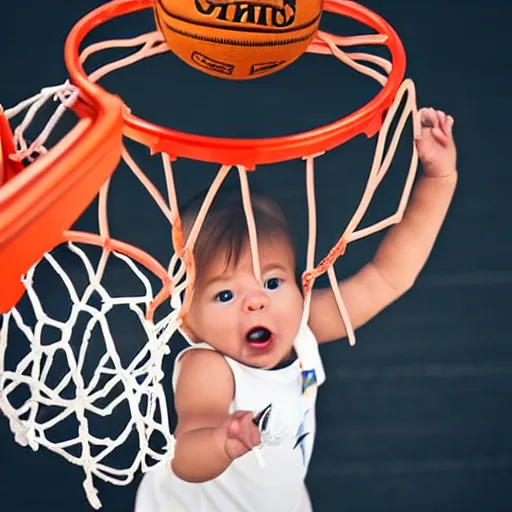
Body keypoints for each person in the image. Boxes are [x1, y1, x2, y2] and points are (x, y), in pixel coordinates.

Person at [134, 107, 458, 511]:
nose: (257, 302)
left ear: (300, 284)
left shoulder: (302, 328)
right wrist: (222, 441)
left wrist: (439, 179)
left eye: (272, 282)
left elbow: (389, 276)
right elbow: (186, 454)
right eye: (225, 295)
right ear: (187, 318)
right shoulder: (209, 366)